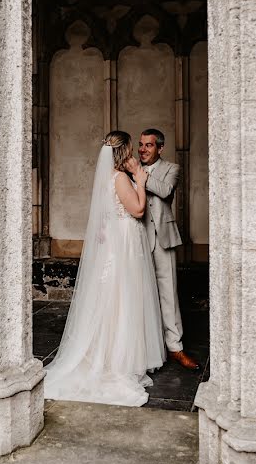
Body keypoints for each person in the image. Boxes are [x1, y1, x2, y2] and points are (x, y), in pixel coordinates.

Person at [44, 131, 166, 407]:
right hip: (124, 242)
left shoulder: (106, 179)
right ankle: (119, 357)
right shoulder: (120, 178)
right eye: (133, 148)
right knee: (124, 296)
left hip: (117, 240)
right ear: (125, 151)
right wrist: (142, 182)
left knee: (117, 295)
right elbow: (136, 210)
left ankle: (117, 351)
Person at [139, 128, 200, 370]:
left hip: (164, 238)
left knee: (168, 293)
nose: (142, 149)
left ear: (160, 148)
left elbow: (164, 192)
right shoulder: (129, 170)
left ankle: (175, 347)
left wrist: (138, 174)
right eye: (141, 145)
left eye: (149, 145)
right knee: (141, 293)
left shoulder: (171, 168)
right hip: (139, 239)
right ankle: (145, 347)